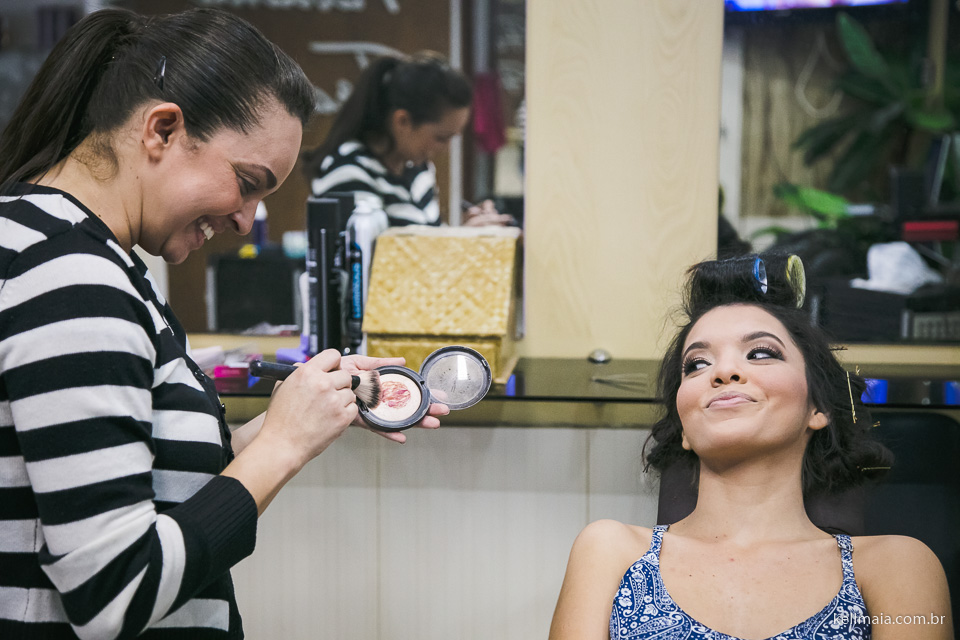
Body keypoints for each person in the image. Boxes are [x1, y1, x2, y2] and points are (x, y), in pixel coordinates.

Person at [0, 8, 446, 639]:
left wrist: (296, 418)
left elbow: (135, 473)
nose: (246, 220)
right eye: (246, 183)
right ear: (161, 128)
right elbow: (117, 592)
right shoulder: (72, 276)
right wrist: (282, 449)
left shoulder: (57, 249)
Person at [549, 254, 953, 640]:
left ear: (818, 408)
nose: (724, 371)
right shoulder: (610, 552)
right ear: (684, 429)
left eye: (761, 353)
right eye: (697, 364)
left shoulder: (896, 565)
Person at [302, 51, 514, 228]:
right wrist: (462, 241)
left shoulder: (417, 170)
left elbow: (426, 245)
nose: (447, 149)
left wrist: (467, 231)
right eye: (441, 137)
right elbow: (379, 266)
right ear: (402, 121)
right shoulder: (348, 171)